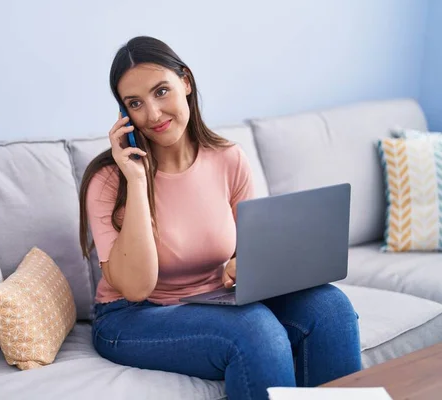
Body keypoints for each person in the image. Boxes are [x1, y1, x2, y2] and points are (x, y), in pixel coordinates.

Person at [78, 36, 361, 400]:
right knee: (255, 330)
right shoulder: (109, 178)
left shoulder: (229, 159)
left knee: (331, 308)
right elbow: (136, 287)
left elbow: (251, 255)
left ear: (186, 82)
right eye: (135, 103)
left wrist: (242, 266)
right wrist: (136, 180)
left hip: (213, 300)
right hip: (130, 317)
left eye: (161, 91)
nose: (152, 114)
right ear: (124, 115)